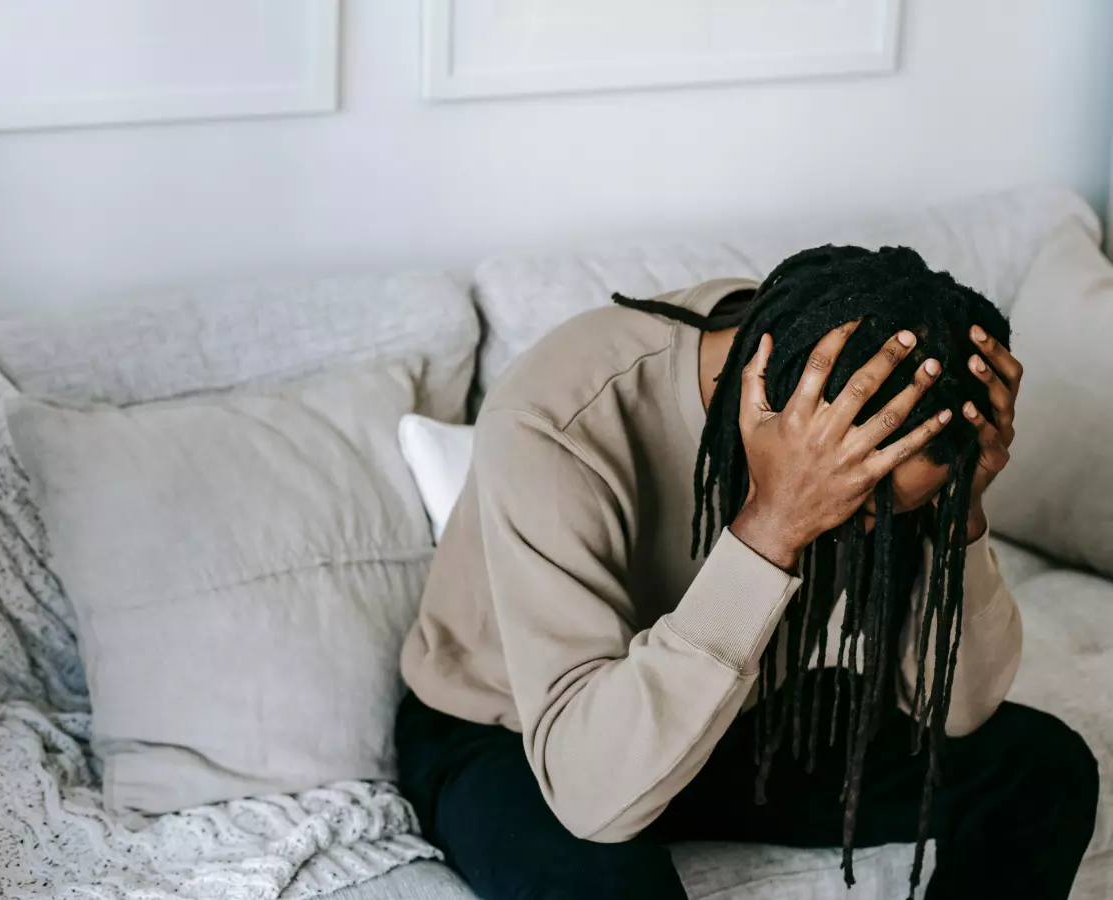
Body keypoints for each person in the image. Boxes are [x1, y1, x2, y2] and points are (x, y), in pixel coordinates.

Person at [397, 246, 1099, 900]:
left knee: (1042, 772)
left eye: (897, 513)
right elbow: (592, 796)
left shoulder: (868, 386)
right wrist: (773, 524)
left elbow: (958, 712)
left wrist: (957, 513)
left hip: (742, 711)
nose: (871, 533)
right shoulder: (555, 417)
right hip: (525, 737)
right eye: (864, 510)